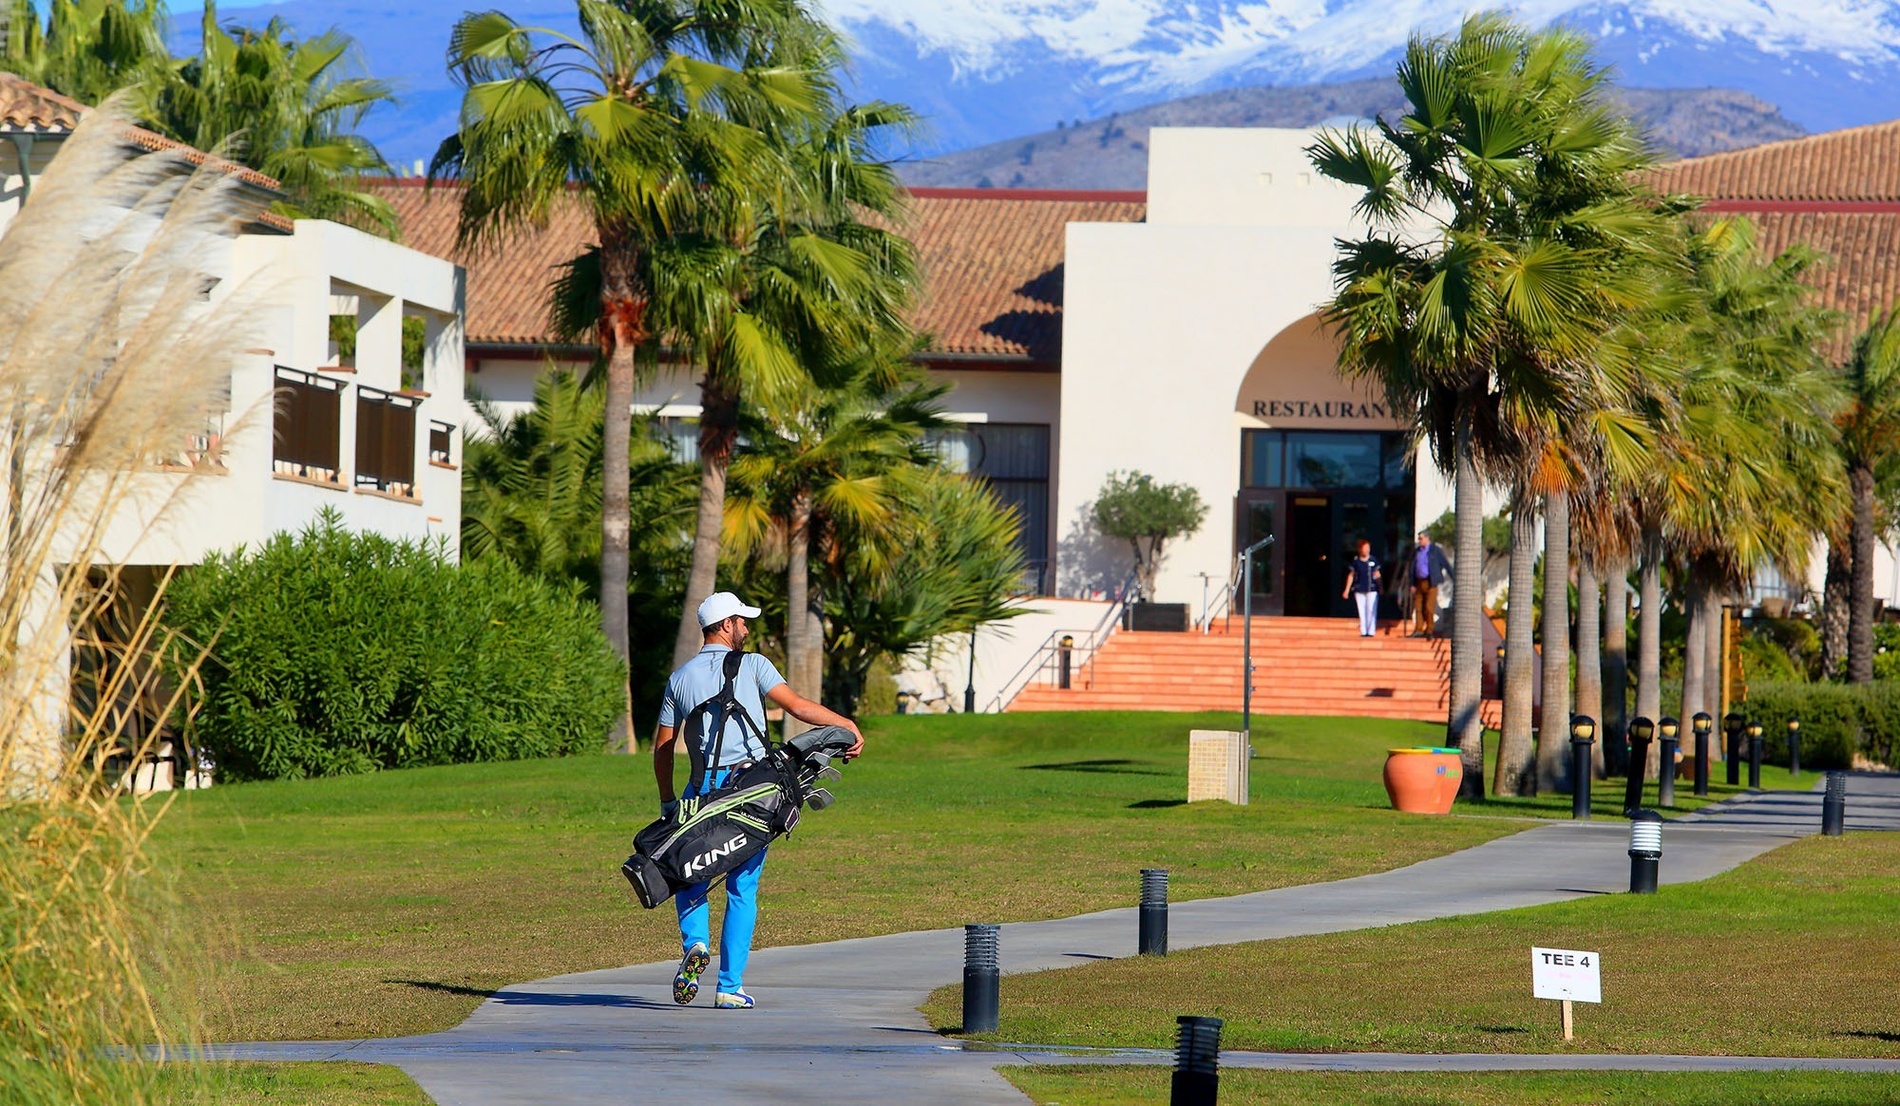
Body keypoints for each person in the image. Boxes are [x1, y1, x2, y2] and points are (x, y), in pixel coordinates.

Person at [653, 591, 863, 1011]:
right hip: (752, 793)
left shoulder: (679, 678)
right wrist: (846, 724)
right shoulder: (754, 665)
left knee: (691, 870)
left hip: (701, 791)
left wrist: (668, 801)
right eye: (742, 622)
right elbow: (799, 708)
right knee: (742, 888)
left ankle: (695, 942)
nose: (747, 629)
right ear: (726, 625)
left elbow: (662, 748)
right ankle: (729, 987)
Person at [1410, 531, 1453, 637]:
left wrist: (1453, 577)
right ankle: (1418, 629)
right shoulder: (1417, 551)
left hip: (1431, 582)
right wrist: (1412, 583)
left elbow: (1445, 564)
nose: (1419, 541)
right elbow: (1412, 568)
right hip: (1419, 582)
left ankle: (1429, 630)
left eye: (1421, 538)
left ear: (1427, 538)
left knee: (1429, 607)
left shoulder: (1435, 550)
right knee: (1418, 607)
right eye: (1419, 538)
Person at [1342, 540, 1381, 638]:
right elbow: (1351, 575)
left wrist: (1380, 587)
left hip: (1372, 589)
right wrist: (1347, 590)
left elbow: (1377, 574)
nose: (1367, 550)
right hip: (1359, 589)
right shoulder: (1356, 562)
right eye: (1365, 548)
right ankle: (1363, 631)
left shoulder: (1373, 560)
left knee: (1371, 609)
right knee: (1362, 610)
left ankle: (1371, 631)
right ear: (1360, 549)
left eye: (1368, 548)